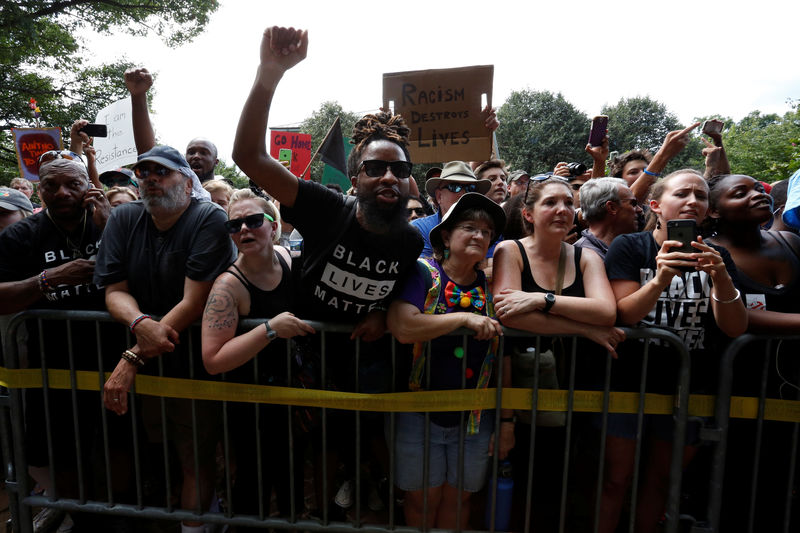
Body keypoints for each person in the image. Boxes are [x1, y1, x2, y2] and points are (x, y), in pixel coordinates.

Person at [232, 25, 424, 516]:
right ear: (355, 177)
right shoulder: (324, 208)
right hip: (299, 353)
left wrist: (383, 314)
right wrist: (270, 75)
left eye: (399, 171)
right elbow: (248, 157)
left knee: (365, 437)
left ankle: (363, 500)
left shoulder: (410, 239)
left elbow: (402, 289)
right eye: (376, 168)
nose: (388, 177)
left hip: (364, 360)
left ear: (409, 184)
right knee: (304, 453)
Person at [95, 145, 236, 533]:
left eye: (162, 172)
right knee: (156, 450)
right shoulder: (123, 217)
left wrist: (131, 358)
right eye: (144, 172)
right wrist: (141, 324)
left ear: (188, 183)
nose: (151, 179)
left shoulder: (207, 216)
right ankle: (196, 511)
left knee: (195, 454)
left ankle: (195, 526)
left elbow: (194, 300)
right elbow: (114, 291)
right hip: (147, 359)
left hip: (193, 362)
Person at [602, 169, 747, 533]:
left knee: (661, 480)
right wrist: (661, 277)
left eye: (700, 196)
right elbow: (623, 313)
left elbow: (735, 326)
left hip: (690, 387)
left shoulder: (718, 256)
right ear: (656, 205)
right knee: (615, 478)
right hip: (629, 382)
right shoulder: (630, 246)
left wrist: (722, 277)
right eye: (682, 194)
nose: (693, 201)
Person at [492, 174, 624, 531]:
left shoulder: (585, 256)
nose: (562, 209)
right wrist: (583, 327)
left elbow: (606, 312)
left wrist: (540, 299)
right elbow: (508, 314)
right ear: (529, 213)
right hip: (523, 385)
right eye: (550, 202)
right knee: (525, 478)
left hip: (580, 383)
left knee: (572, 477)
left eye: (568, 202)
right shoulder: (510, 251)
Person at [0, 152, 110, 528]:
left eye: (72, 184)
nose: (62, 192)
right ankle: (81, 518)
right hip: (51, 368)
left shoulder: (108, 223)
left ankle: (120, 517)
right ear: (39, 189)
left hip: (116, 361)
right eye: (51, 185)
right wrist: (50, 279)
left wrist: (110, 226)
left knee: (118, 445)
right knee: (57, 452)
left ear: (88, 187)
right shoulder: (22, 235)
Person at [387, 192, 508, 529]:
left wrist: (507, 422)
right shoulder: (422, 273)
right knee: (421, 500)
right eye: (469, 227)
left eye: (486, 232)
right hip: (418, 412)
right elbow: (401, 325)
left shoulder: (493, 286)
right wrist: (462, 320)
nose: (479, 236)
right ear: (445, 236)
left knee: (460, 500)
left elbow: (507, 355)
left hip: (474, 416)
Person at [202, 188, 315, 523]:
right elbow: (212, 358)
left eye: (253, 221)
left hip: (288, 394)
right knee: (253, 483)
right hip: (249, 402)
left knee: (291, 476)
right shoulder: (227, 287)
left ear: (273, 226)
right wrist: (269, 330)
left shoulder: (284, 256)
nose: (243, 230)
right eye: (234, 226)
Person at [705, 173, 800, 530]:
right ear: (714, 210)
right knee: (737, 480)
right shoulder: (709, 251)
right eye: (739, 193)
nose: (756, 195)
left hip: (791, 383)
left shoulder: (790, 241)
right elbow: (737, 315)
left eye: (757, 189)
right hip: (736, 384)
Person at [123, 68, 220, 183]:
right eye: (191, 152)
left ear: (216, 161)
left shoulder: (231, 198)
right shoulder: (175, 192)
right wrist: (138, 95)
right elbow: (148, 155)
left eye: (204, 152)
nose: (196, 156)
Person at [413, 161, 491, 258]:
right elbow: (425, 270)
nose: (464, 193)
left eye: (471, 188)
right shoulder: (419, 229)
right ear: (439, 196)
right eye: (454, 187)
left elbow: (495, 268)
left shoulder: (489, 228)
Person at [574, 178, 642, 258]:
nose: (640, 210)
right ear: (612, 207)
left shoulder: (632, 248)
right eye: (633, 204)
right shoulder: (578, 257)